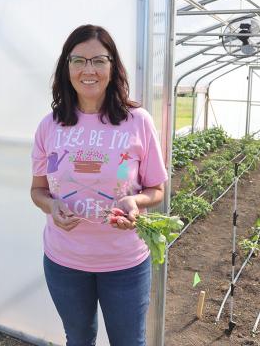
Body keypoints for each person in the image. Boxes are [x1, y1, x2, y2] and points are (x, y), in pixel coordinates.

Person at [30, 24, 168, 346]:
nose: (88, 70)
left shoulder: (137, 121)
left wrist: (137, 203)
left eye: (98, 60)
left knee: (129, 342)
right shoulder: (49, 126)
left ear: (112, 67)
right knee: (78, 339)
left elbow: (157, 189)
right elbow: (38, 190)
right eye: (78, 60)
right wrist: (52, 206)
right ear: (67, 68)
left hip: (125, 263)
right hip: (64, 261)